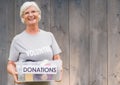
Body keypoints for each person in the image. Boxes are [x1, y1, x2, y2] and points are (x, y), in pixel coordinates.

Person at [7, 1, 62, 85]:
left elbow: (57, 58)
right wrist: (14, 72)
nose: (30, 15)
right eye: (26, 13)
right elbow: (10, 64)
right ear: (23, 17)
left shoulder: (49, 36)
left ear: (38, 14)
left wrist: (59, 70)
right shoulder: (17, 40)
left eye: (33, 11)